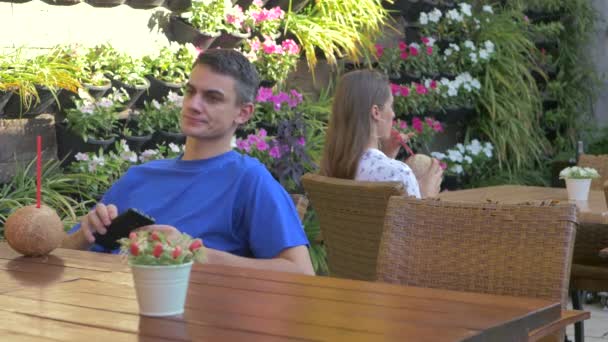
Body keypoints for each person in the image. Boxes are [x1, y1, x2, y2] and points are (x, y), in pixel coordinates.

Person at [62, 49, 314, 275]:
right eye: (190, 91)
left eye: (212, 98)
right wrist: (85, 235)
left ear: (243, 113)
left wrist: (190, 251)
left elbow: (300, 272)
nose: (193, 105)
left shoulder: (248, 179)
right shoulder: (140, 176)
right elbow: (62, 253)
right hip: (106, 305)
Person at [321, 69, 443, 198]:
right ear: (376, 112)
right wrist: (426, 196)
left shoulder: (330, 168)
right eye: (390, 106)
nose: (393, 114)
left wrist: (386, 155)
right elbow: (415, 218)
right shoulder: (400, 174)